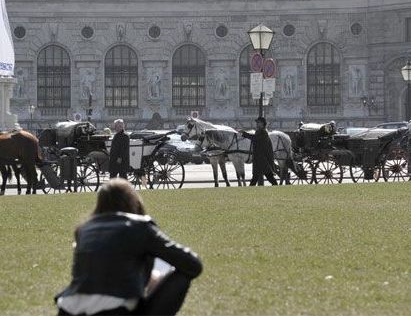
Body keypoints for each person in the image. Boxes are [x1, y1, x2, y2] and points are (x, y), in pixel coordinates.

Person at [55, 178, 203, 316]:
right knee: (183, 274)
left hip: (68, 309)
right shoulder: (140, 226)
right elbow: (193, 264)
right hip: (114, 310)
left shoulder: (84, 229)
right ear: (133, 202)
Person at [239, 116, 278, 186]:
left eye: (258, 122)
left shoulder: (263, 132)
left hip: (262, 159)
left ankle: (277, 187)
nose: (257, 124)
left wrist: (244, 134)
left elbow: (255, 138)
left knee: (267, 177)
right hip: (258, 158)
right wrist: (244, 134)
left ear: (263, 123)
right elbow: (254, 137)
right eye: (257, 122)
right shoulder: (259, 131)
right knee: (257, 177)